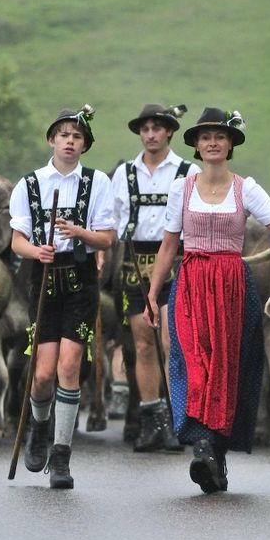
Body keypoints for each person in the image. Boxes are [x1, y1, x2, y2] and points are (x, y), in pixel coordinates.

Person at [144, 107, 270, 494]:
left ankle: (213, 451)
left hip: (231, 283)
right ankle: (203, 444)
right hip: (190, 281)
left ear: (229, 145)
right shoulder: (182, 188)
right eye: (205, 137)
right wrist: (154, 294)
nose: (212, 143)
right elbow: (169, 244)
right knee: (193, 362)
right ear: (195, 144)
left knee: (225, 367)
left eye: (219, 137)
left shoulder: (246, 188)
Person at [10, 106, 116, 489]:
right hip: (43, 281)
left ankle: (61, 456)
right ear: (51, 140)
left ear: (85, 145)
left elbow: (107, 237)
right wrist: (35, 251)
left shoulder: (97, 182)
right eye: (64, 134)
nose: (70, 141)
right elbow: (16, 239)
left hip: (81, 281)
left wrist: (78, 233)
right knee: (41, 374)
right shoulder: (30, 184)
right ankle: (39, 426)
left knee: (69, 368)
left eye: (77, 136)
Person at [111, 103, 200, 452]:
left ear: (169, 132)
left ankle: (177, 421)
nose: (150, 134)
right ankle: (152, 422)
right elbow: (115, 219)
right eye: (145, 129)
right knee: (143, 345)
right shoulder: (124, 174)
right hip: (134, 262)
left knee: (170, 344)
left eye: (157, 128)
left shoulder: (186, 171)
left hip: (175, 261)